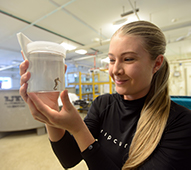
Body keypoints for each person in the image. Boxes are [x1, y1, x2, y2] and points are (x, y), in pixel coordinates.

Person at [19, 21, 191, 170]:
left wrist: (79, 130)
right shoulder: (103, 104)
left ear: (157, 63)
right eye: (111, 60)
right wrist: (50, 110)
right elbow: (70, 158)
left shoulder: (181, 122)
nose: (115, 70)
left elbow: (84, 142)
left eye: (128, 59)